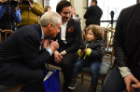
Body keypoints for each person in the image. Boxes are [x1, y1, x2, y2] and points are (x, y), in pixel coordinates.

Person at [0, 11, 61, 92]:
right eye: (58, 28)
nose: (59, 31)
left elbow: (32, 54)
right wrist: (50, 50)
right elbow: (33, 63)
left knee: (41, 68)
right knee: (37, 75)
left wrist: (49, 49)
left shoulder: (35, 30)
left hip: (13, 61)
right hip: (3, 66)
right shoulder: (31, 35)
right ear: (50, 26)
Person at [101, 3, 140, 92]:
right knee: (108, 89)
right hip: (126, 63)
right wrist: (125, 72)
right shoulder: (126, 13)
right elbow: (118, 42)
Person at [46, 1, 82, 92]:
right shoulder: (54, 23)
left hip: (73, 50)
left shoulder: (76, 24)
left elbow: (78, 43)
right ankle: (45, 83)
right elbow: (51, 39)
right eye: (65, 13)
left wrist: (62, 53)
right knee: (44, 56)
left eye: (69, 12)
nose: (68, 15)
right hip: (59, 48)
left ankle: (67, 87)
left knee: (66, 63)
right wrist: (54, 52)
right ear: (58, 12)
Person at [68, 24, 105, 92]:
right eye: (87, 33)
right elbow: (80, 50)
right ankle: (73, 80)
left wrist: (88, 51)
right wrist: (80, 52)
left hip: (95, 61)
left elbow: (100, 54)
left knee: (94, 69)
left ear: (97, 36)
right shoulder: (85, 42)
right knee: (77, 65)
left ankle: (93, 86)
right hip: (85, 59)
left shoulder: (100, 44)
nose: (87, 35)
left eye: (90, 34)